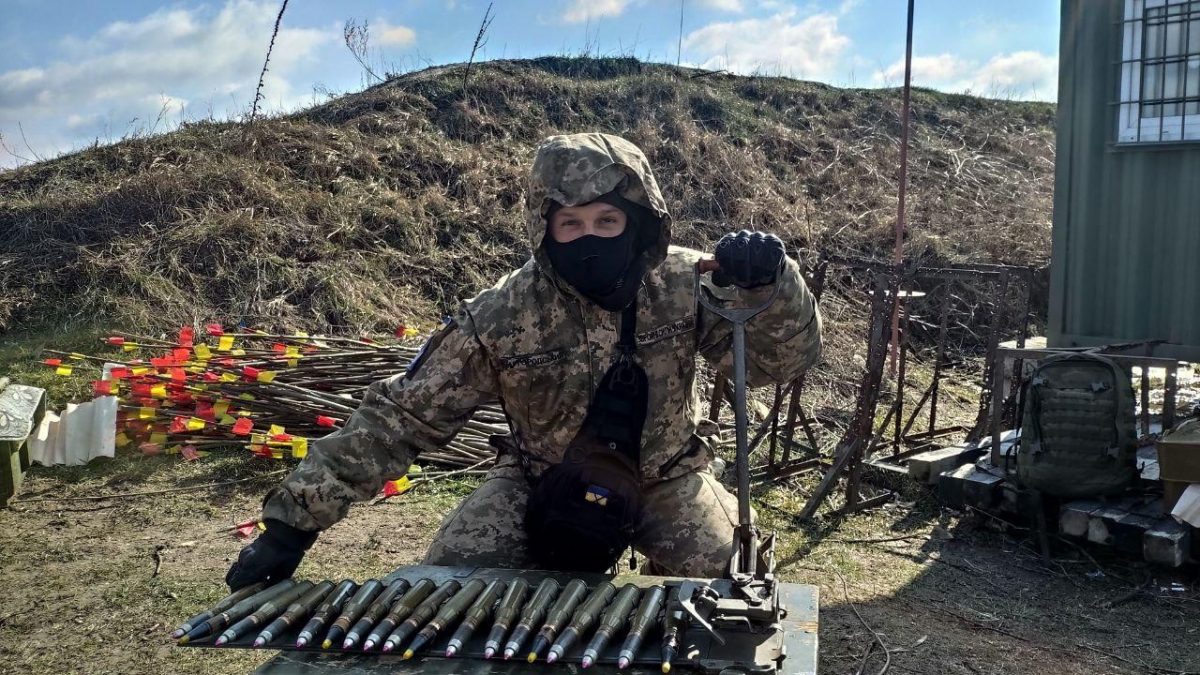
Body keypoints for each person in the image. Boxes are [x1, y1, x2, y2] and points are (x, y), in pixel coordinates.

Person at [226, 132, 822, 589]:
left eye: (607, 220)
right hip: (538, 481)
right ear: (545, 228)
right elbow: (400, 417)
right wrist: (290, 527)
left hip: (667, 479)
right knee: (450, 585)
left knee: (740, 587)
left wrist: (773, 285)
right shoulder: (502, 313)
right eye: (571, 224)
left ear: (638, 221)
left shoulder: (688, 283)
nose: (590, 236)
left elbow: (777, 363)